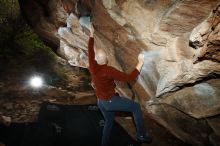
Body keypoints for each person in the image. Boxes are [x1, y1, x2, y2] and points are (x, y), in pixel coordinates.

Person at [88, 24, 152, 146]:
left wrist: (91, 34)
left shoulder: (92, 67)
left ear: (96, 60)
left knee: (109, 121)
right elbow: (129, 77)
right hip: (110, 101)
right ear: (106, 58)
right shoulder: (109, 71)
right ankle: (142, 135)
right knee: (136, 107)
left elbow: (90, 51)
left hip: (100, 103)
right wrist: (140, 62)